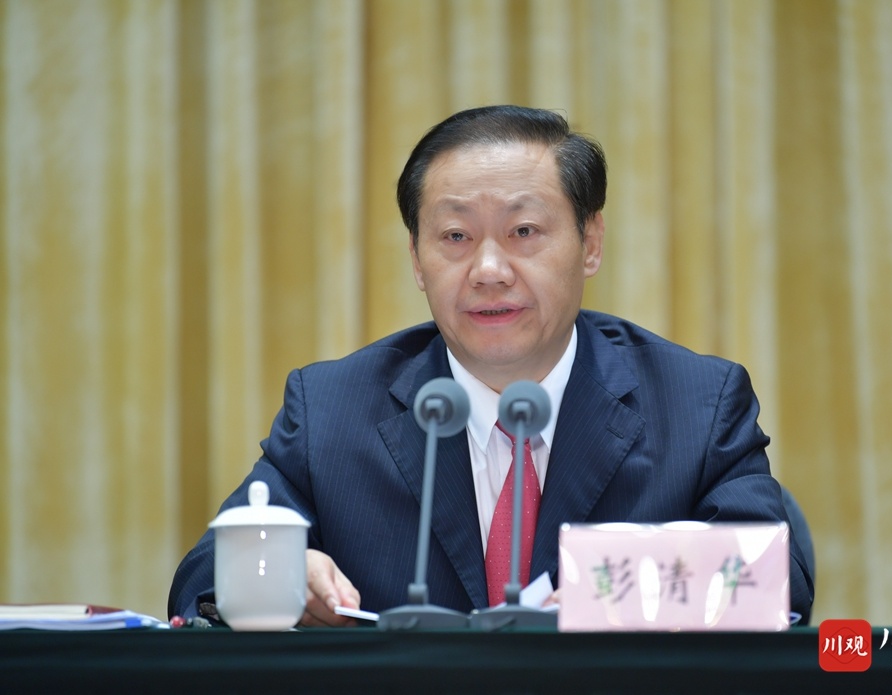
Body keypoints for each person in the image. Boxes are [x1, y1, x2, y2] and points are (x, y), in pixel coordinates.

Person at [168, 105, 814, 626]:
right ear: (417, 260)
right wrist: (278, 573)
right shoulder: (333, 408)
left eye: (523, 231)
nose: (488, 270)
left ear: (590, 242)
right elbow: (200, 580)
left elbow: (775, 575)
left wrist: (610, 589)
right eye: (455, 237)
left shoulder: (695, 402)